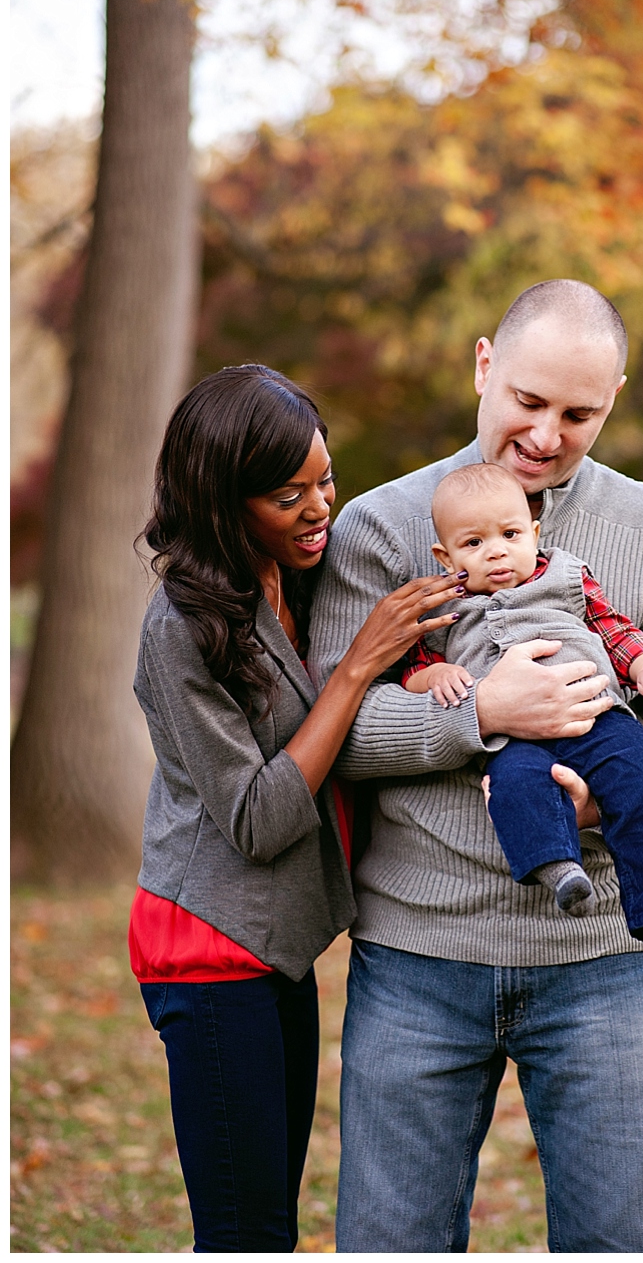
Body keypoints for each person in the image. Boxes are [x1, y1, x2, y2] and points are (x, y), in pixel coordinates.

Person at [311, 280, 643, 1253]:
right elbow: (327, 733)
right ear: (482, 367)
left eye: (578, 412)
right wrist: (479, 718)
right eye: (525, 399)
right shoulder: (381, 532)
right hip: (418, 959)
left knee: (621, 1243)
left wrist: (620, 796)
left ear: (614, 400)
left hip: (604, 961)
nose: (546, 433)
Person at [127, 364, 464, 1253]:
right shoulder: (181, 628)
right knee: (245, 1234)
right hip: (207, 949)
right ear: (221, 501)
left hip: (275, 945)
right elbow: (257, 818)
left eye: (326, 480)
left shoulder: (301, 579)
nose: (321, 509)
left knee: (273, 1219)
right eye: (289, 494)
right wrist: (358, 667)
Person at [403, 460, 643, 961]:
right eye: (474, 544)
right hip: (513, 737)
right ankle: (558, 867)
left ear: (534, 532)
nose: (497, 551)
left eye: (510, 533)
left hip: (597, 715)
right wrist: (435, 676)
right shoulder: (442, 608)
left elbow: (613, 628)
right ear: (445, 554)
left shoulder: (566, 575)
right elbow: (415, 668)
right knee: (513, 785)